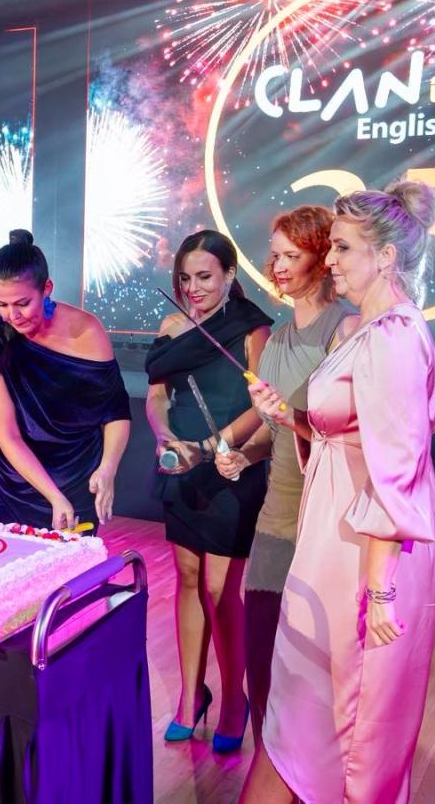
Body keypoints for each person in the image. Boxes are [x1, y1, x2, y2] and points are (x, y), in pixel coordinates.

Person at [243, 181, 435, 803]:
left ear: (385, 256)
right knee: (305, 705)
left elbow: (397, 471)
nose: (329, 260)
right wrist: (289, 419)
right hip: (334, 534)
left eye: (341, 248)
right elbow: (349, 436)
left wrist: (380, 591)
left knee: (344, 718)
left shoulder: (393, 336)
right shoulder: (368, 330)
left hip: (364, 554)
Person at [211, 207, 353, 752]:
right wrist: (243, 457)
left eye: (292, 254)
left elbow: (348, 441)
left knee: (315, 676)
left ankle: (306, 775)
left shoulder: (345, 332)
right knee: (263, 660)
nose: (279, 266)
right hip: (275, 520)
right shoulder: (277, 341)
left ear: (323, 256)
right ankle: (267, 770)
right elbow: (275, 434)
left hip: (324, 527)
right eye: (275, 254)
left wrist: (288, 418)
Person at [144, 229, 272, 752]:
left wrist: (213, 445)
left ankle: (235, 701)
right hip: (181, 466)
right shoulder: (171, 326)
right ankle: (191, 697)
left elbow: (263, 405)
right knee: (189, 579)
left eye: (204, 276)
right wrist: (164, 436)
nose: (193, 288)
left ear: (229, 275)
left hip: (230, 464)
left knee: (220, 591)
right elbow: (157, 396)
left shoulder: (252, 327)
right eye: (185, 278)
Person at [0, 229, 130, 531]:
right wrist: (53, 497)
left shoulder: (87, 331)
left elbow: (115, 412)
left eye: (22, 303)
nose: (12, 315)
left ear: (47, 288)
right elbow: (8, 436)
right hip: (12, 485)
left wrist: (108, 469)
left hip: (76, 482)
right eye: (1, 304)